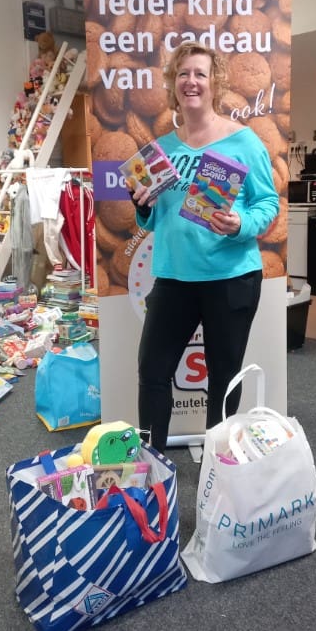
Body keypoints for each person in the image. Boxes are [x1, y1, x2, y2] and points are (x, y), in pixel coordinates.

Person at [130, 41, 280, 453]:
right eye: (183, 74)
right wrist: (142, 207)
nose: (191, 81)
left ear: (215, 83)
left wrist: (240, 224)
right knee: (152, 373)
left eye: (200, 73)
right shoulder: (161, 150)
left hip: (230, 279)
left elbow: (268, 203)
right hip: (173, 278)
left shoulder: (243, 141)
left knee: (224, 377)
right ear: (173, 83)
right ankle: (150, 459)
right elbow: (153, 219)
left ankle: (221, 463)